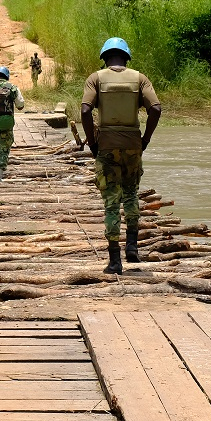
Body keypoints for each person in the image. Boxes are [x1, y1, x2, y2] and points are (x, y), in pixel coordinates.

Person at [81, 37, 161, 275]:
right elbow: (155, 108)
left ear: (105, 58)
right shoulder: (139, 78)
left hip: (106, 146)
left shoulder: (95, 78)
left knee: (111, 202)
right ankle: (133, 247)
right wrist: (145, 139)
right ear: (126, 57)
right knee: (131, 194)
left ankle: (115, 260)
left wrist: (93, 143)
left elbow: (85, 110)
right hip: (133, 145)